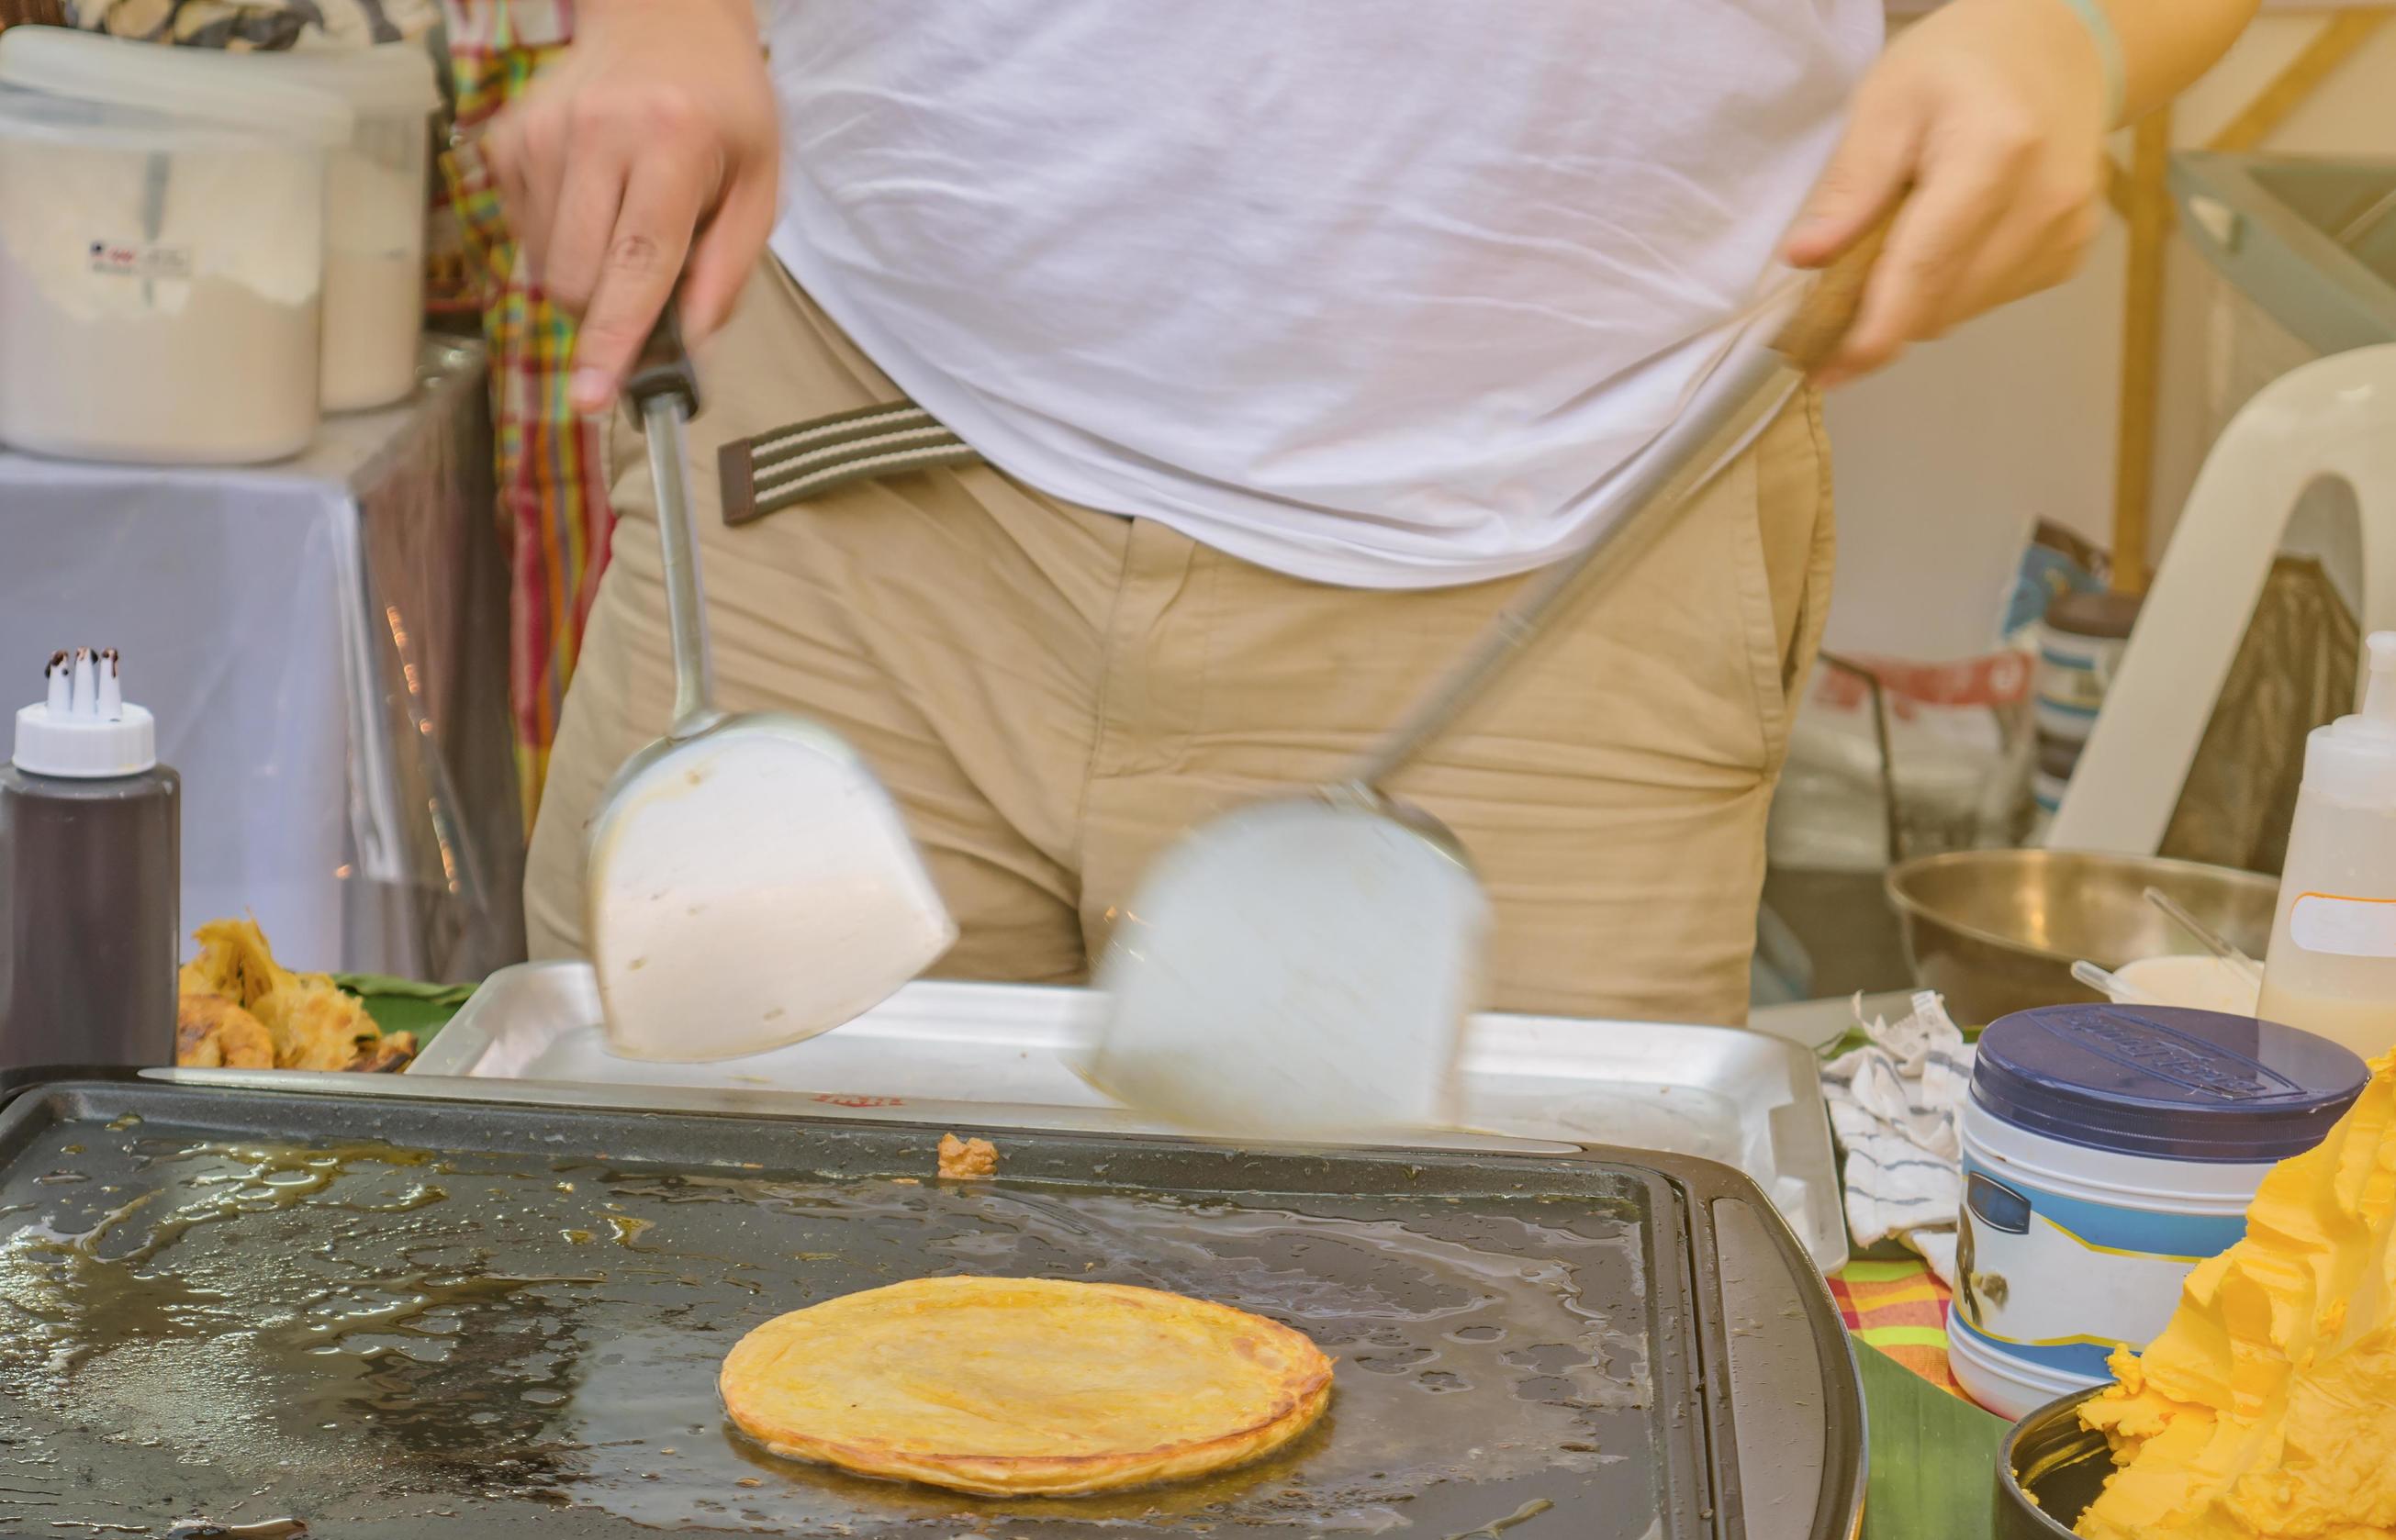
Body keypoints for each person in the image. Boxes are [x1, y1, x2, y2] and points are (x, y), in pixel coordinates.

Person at [499, 0, 2254, 1025]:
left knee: (1479, 1456)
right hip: (853, 443)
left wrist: (2073, 34)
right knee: (689, 1333)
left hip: (1575, 547)